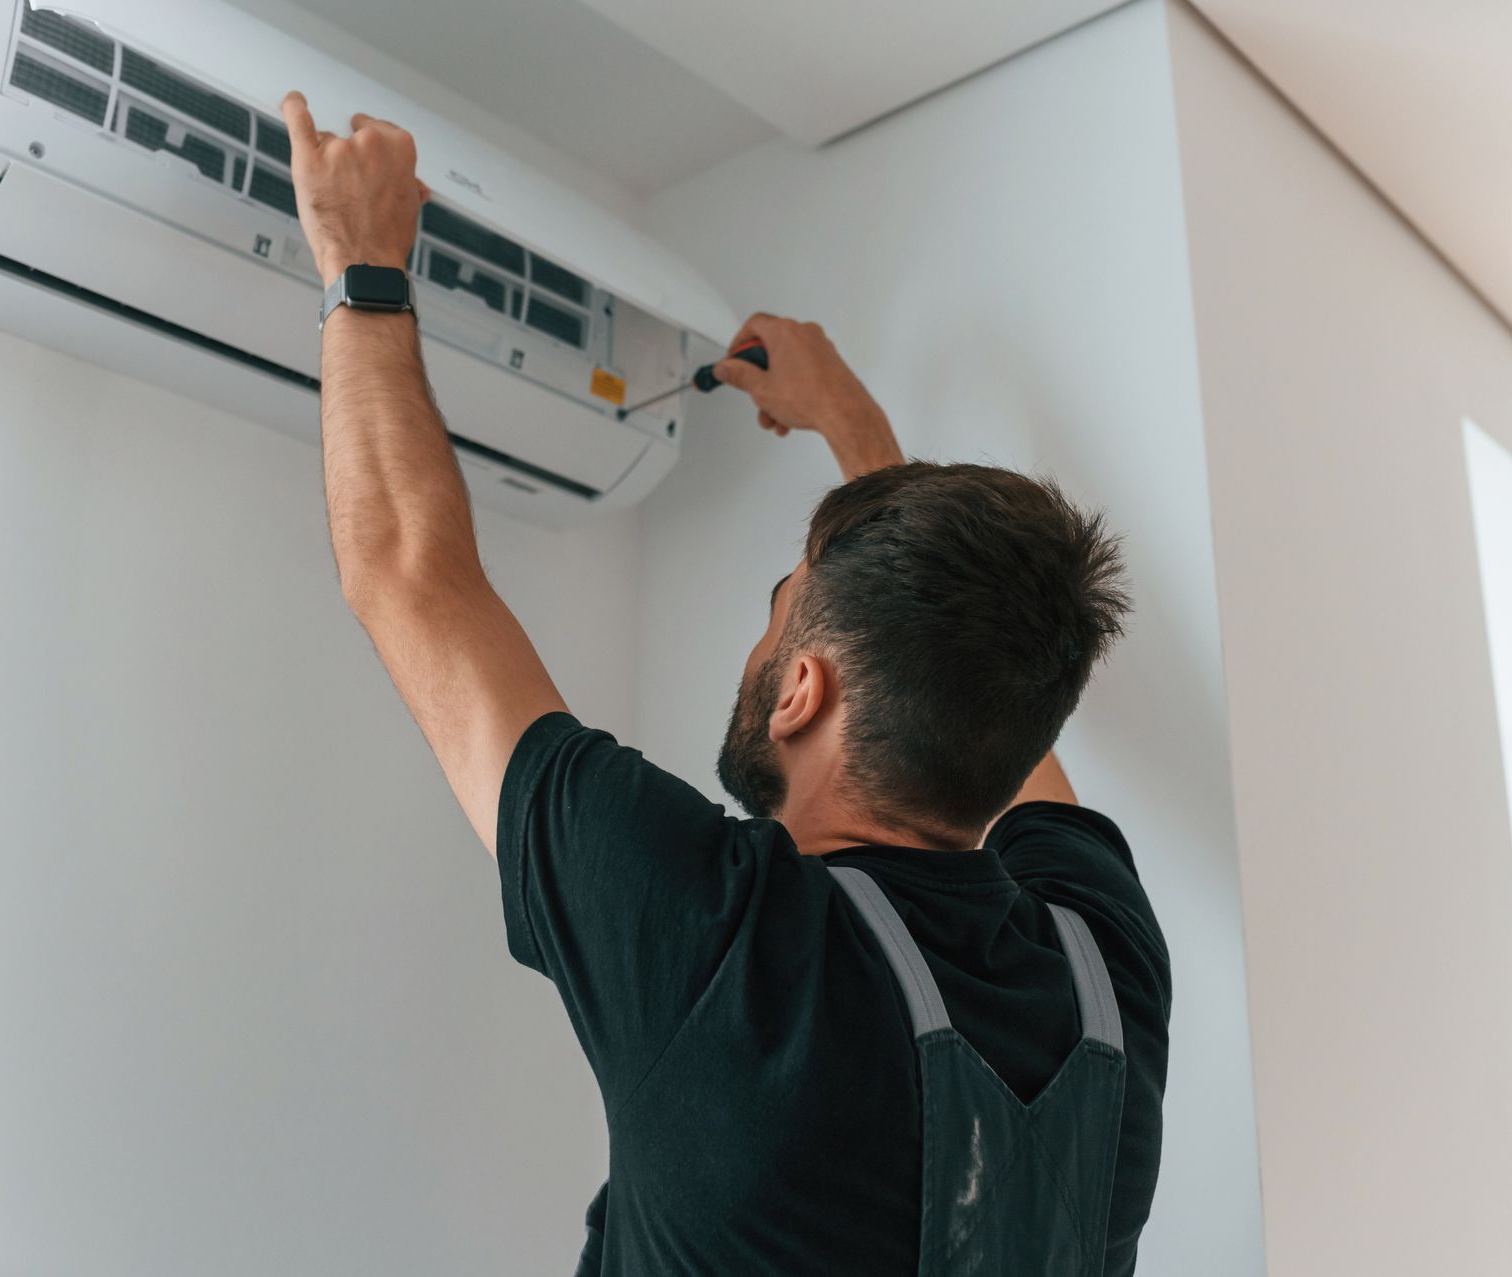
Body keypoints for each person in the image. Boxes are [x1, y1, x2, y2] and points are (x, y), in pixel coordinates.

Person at [281, 91, 1168, 1277]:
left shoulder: (728, 941)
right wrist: (853, 428)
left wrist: (360, 260)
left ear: (801, 689)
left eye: (774, 614)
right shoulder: (1104, 967)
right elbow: (986, 681)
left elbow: (406, 568)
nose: (755, 649)